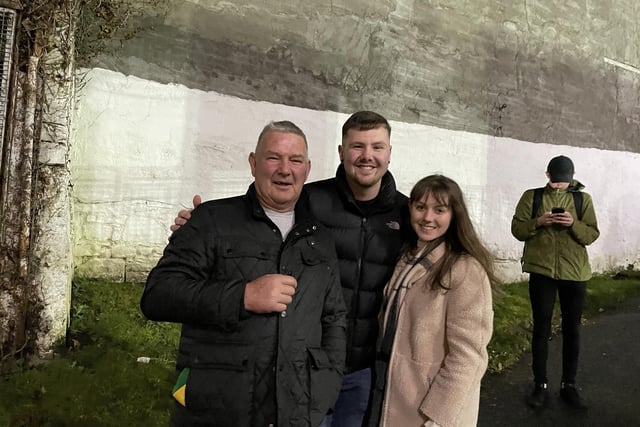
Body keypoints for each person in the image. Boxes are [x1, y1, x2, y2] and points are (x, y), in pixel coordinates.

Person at [172, 111, 410, 427]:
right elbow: (260, 211)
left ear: (389, 153)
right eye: (357, 146)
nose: (367, 156)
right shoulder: (309, 199)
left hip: (365, 369)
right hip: (302, 363)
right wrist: (198, 224)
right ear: (341, 153)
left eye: (377, 147)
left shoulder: (408, 215)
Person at [141, 120, 347, 427]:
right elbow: (158, 295)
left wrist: (325, 386)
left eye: (295, 160)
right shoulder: (211, 220)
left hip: (297, 409)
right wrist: (243, 296)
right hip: (219, 409)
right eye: (273, 157)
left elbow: (334, 319)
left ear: (307, 169)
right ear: (253, 163)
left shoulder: (320, 237)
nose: (284, 169)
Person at [366, 174, 496, 427]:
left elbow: (468, 356)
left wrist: (438, 418)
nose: (427, 218)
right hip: (394, 397)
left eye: (439, 210)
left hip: (429, 411)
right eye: (421, 207)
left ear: (454, 214)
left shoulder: (465, 269)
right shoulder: (408, 256)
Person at [511, 155, 599, 410]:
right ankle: (540, 385)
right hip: (542, 272)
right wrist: (538, 222)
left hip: (576, 273)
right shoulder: (533, 196)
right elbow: (517, 230)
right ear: (548, 175)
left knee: (573, 330)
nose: (559, 186)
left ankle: (568, 385)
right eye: (556, 181)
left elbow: (592, 234)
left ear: (571, 177)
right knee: (541, 329)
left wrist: (573, 224)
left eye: (564, 181)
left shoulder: (584, 200)